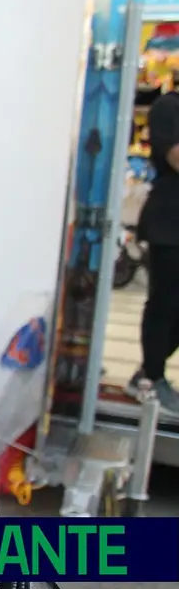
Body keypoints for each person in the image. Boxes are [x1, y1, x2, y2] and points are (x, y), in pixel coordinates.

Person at [130, 86, 179, 412]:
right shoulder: (168, 107)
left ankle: (149, 371)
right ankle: (151, 377)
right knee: (165, 302)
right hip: (169, 224)